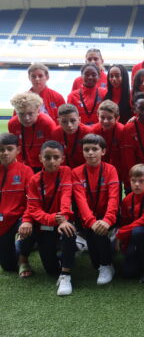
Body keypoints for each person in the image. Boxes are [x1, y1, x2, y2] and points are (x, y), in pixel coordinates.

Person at [18, 141, 76, 296]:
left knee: (69, 231)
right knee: (51, 270)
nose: (52, 161)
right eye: (47, 157)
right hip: (45, 224)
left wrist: (63, 219)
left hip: (61, 221)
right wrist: (53, 219)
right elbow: (34, 209)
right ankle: (27, 251)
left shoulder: (66, 172)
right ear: (40, 158)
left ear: (62, 158)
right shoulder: (34, 180)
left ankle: (66, 274)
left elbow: (66, 196)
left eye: (56, 157)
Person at [72, 134, 120, 285]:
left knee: (100, 241)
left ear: (103, 151)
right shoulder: (76, 172)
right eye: (87, 149)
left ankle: (106, 265)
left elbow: (114, 198)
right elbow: (81, 202)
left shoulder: (111, 169)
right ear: (82, 152)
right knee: (94, 261)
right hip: (89, 220)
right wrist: (92, 222)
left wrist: (107, 220)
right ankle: (108, 246)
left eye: (95, 149)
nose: (90, 153)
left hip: (108, 217)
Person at [116, 164, 144, 282]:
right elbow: (125, 222)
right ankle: (140, 257)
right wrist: (124, 244)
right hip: (135, 235)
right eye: (133, 181)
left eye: (141, 181)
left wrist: (120, 234)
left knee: (138, 231)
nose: (136, 184)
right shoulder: (126, 200)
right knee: (128, 273)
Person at [0, 133, 34, 276]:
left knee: (31, 225)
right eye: (1, 149)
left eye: (9, 149)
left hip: (19, 217)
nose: (5, 153)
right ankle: (18, 246)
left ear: (18, 150)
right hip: (1, 219)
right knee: (8, 266)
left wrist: (27, 220)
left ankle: (23, 259)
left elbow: (33, 200)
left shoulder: (26, 171)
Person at [8, 92, 56, 171]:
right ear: (16, 112)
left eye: (30, 113)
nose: (26, 118)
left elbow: (53, 149)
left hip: (44, 165)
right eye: (21, 114)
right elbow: (15, 147)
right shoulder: (12, 124)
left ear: (38, 111)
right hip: (23, 165)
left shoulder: (47, 123)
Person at [91, 100, 126, 182]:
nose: (105, 121)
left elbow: (124, 157)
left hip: (118, 170)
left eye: (110, 118)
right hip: (99, 169)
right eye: (102, 117)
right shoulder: (94, 131)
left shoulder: (122, 131)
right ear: (97, 116)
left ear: (117, 118)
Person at [51, 104, 92, 168]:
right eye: (64, 121)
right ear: (58, 121)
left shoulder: (88, 133)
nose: (69, 125)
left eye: (73, 121)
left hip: (84, 168)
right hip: (63, 169)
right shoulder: (55, 134)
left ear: (79, 120)